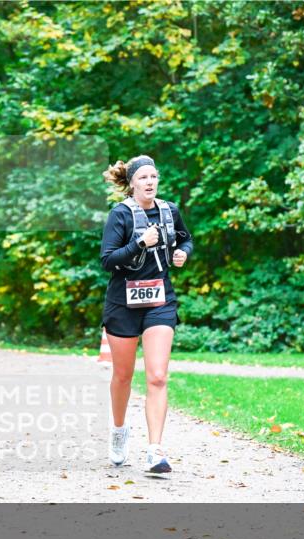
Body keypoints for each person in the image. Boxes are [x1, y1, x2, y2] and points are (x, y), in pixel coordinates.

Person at [100, 155, 193, 474]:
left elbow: (187, 239)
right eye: (143, 178)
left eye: (154, 176)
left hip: (159, 300)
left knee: (157, 376)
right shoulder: (120, 214)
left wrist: (182, 253)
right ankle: (118, 430)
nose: (150, 182)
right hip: (123, 303)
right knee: (123, 376)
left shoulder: (170, 211)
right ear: (132, 183)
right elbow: (108, 260)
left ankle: (155, 450)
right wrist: (140, 243)